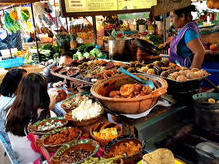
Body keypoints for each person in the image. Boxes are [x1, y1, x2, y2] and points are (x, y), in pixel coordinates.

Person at [5, 73, 56, 164]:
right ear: (42, 93)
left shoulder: (10, 111)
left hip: (20, 159)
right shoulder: (48, 116)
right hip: (38, 161)